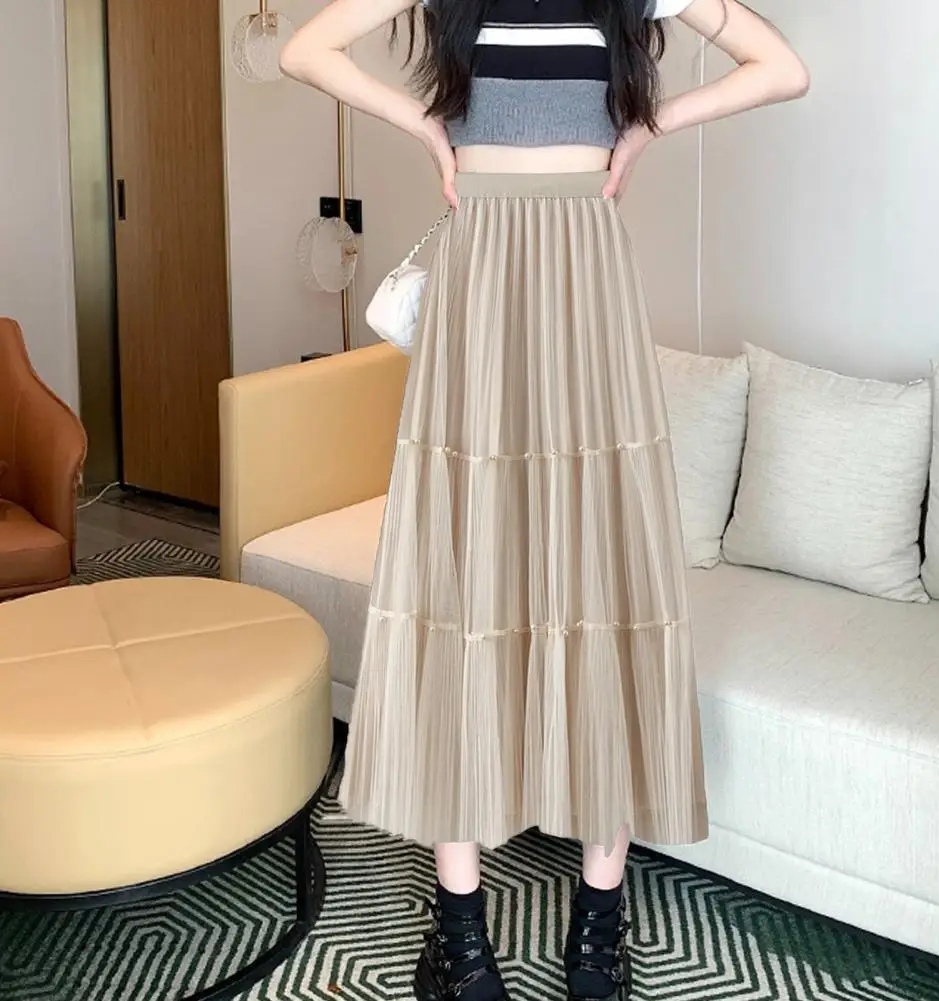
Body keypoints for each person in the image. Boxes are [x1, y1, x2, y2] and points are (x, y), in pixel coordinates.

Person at [280, 2, 807, 999]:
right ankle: (470, 935)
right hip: (481, 276)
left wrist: (646, 126)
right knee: (464, 573)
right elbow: (305, 48)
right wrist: (425, 127)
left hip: (582, 279)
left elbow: (779, 67)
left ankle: (582, 925)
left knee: (598, 570)